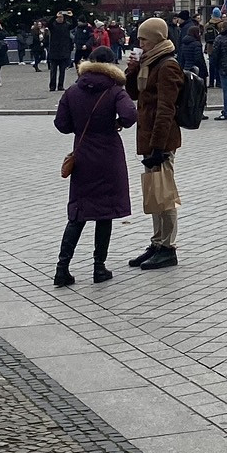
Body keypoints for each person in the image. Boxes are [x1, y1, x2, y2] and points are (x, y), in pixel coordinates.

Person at [52, 45, 139, 286]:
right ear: (111, 65)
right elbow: (131, 116)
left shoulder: (72, 90)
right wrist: (116, 122)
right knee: (105, 213)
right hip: (109, 157)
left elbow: (61, 124)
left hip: (83, 156)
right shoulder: (115, 90)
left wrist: (79, 127)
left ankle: (62, 268)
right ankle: (99, 267)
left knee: (78, 213)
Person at [127, 16, 185, 269]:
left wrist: (159, 147)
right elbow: (133, 94)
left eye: (143, 39)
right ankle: (157, 242)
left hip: (161, 139)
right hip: (149, 137)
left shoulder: (167, 65)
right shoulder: (149, 62)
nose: (139, 43)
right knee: (154, 192)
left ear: (156, 39)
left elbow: (166, 109)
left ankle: (168, 247)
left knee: (165, 194)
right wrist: (132, 69)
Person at [46, 11, 75, 91]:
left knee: (62, 71)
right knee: (53, 71)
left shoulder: (67, 25)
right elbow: (48, 24)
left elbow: (74, 24)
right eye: (59, 17)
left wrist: (71, 16)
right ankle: (52, 86)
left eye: (61, 17)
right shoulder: (53, 26)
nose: (60, 19)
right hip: (54, 51)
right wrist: (55, 16)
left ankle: (60, 85)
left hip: (63, 51)